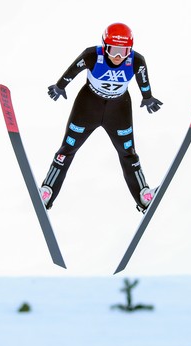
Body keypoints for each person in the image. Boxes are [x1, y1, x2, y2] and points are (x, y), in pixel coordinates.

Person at [40, 22, 163, 212]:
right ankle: (47, 191)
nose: (118, 57)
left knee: (128, 153)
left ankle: (143, 195)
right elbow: (72, 70)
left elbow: (143, 79)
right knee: (67, 149)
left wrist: (147, 97)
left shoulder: (137, 61)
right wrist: (60, 86)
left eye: (124, 51)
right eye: (113, 50)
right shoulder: (92, 55)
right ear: (105, 46)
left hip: (119, 111)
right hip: (87, 107)